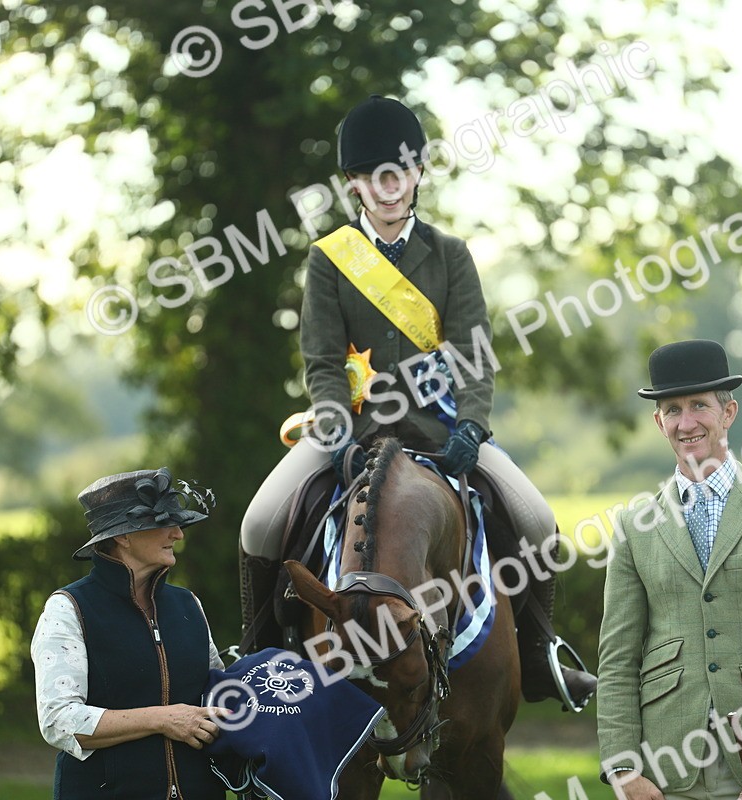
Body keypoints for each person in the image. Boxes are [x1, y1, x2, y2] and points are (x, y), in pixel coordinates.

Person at [241, 94, 596, 711]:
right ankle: (259, 654)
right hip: (350, 432)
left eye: (397, 173)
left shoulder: (450, 255)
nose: (386, 187)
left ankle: (539, 653)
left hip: (443, 430)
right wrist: (338, 435)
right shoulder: (329, 260)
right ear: (353, 184)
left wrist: (473, 428)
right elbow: (322, 362)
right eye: (371, 175)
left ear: (417, 175)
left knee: (538, 520)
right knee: (259, 521)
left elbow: (474, 356)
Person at [597, 340, 742, 800]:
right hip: (664, 772)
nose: (686, 423)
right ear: (659, 421)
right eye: (673, 409)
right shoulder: (632, 527)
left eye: (699, 405)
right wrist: (623, 768)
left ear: (729, 412)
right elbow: (617, 662)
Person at [31, 467, 228, 799]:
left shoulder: (189, 604)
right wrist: (163, 719)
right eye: (165, 523)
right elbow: (59, 720)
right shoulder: (69, 608)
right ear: (123, 536)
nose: (178, 534)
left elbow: (216, 693)